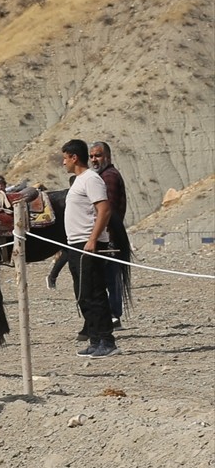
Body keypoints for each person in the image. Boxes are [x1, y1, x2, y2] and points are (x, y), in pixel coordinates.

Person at [61, 139, 118, 358]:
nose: (63, 163)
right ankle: (95, 339)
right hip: (76, 244)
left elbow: (104, 210)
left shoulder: (91, 179)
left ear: (74, 157)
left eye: (65, 158)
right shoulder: (79, 180)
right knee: (83, 294)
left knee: (94, 292)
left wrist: (93, 239)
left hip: (87, 243)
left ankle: (107, 341)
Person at [90, 141, 128, 329]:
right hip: (107, 234)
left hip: (109, 236)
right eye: (91, 156)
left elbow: (108, 211)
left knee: (110, 278)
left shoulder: (109, 177)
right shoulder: (102, 176)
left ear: (107, 156)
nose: (93, 160)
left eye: (97, 155)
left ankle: (114, 315)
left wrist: (100, 235)